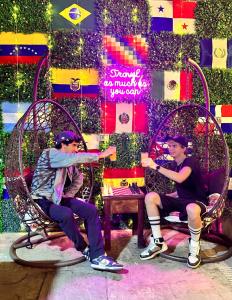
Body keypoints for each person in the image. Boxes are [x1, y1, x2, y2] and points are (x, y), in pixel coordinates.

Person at [31, 130, 123, 271]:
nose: (76, 149)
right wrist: (102, 154)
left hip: (58, 198)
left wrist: (68, 194)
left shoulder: (68, 161)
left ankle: (98, 256)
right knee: (65, 213)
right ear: (63, 144)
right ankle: (84, 247)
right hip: (42, 200)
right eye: (74, 145)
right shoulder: (50, 153)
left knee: (91, 210)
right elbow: (76, 158)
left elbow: (78, 178)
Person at [140, 135, 208, 269]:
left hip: (196, 202)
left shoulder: (190, 161)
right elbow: (181, 190)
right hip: (181, 201)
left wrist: (155, 166)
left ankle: (194, 247)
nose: (170, 149)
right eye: (169, 146)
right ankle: (158, 242)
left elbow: (180, 178)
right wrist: (165, 197)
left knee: (191, 209)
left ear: (184, 148)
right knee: (150, 197)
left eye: (174, 146)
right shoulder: (177, 165)